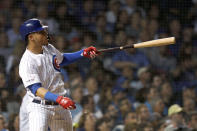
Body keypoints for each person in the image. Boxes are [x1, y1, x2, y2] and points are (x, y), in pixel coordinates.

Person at [18, 18, 99, 131]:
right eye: (41, 32)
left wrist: (82, 53)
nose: (46, 33)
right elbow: (36, 89)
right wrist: (59, 99)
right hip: (40, 107)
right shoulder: (27, 62)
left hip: (60, 105)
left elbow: (62, 59)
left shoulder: (48, 48)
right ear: (31, 37)